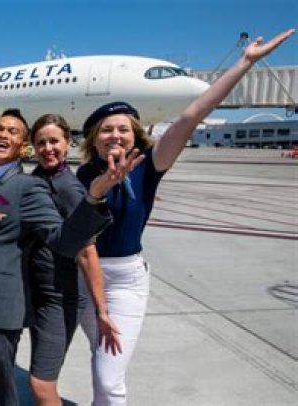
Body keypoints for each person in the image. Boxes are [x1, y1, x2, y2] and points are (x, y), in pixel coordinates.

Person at [76, 28, 294, 406]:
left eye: (123, 129)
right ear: (94, 139)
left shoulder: (150, 165)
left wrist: (244, 63)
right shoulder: (80, 176)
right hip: (84, 278)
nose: (115, 135)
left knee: (109, 378)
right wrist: (98, 187)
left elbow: (193, 114)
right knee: (102, 364)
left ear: (135, 136)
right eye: (106, 130)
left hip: (126, 281)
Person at [0, 108, 139, 405]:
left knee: (28, 383)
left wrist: (94, 195)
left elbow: (75, 246)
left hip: (42, 297)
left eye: (13, 131)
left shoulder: (45, 186)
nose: (48, 148)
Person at [28, 113, 123, 406]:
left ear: (68, 142)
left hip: (62, 295)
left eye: (54, 141)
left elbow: (87, 252)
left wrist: (102, 310)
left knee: (41, 383)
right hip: (41, 290)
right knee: (40, 372)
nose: (48, 149)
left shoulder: (68, 188)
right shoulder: (39, 179)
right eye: (41, 142)